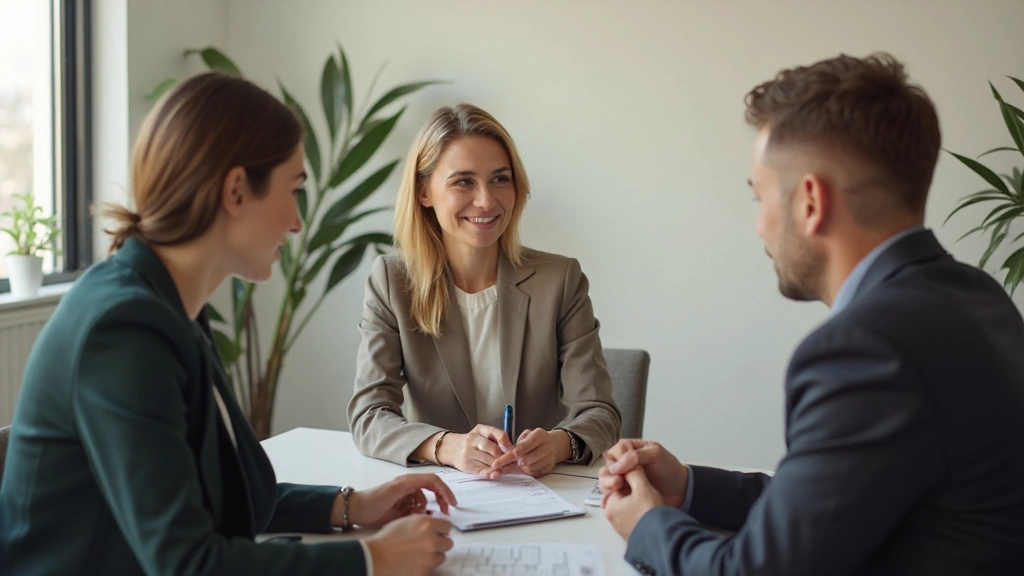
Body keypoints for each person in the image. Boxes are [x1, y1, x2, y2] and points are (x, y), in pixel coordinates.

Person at [0, 72, 457, 576]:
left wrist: (348, 506)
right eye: (294, 189)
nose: (298, 222)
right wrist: (372, 558)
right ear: (236, 190)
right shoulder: (125, 330)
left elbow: (216, 489)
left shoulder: (166, 303)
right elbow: (188, 563)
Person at [599, 53, 1024, 575]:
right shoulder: (977, 295)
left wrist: (645, 525)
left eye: (759, 197)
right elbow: (836, 504)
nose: (758, 226)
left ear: (809, 201)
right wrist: (690, 486)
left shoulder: (867, 347)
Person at [347, 103, 620, 477]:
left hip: (542, 491)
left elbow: (600, 413)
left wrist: (558, 444)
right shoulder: (392, 281)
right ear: (424, 191)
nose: (487, 201)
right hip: (440, 492)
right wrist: (446, 446)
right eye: (463, 181)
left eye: (499, 179)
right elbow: (369, 415)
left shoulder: (561, 279)